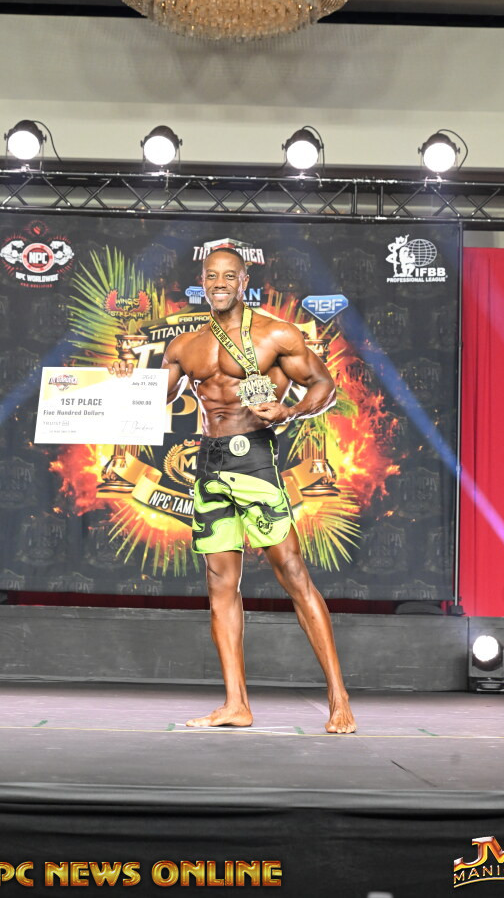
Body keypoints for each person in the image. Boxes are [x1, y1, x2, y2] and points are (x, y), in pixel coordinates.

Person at [112, 247, 356, 734]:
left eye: (229, 275)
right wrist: (108, 390)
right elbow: (154, 397)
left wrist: (290, 412)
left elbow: (324, 386)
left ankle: (338, 697)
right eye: (212, 275)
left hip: (256, 460)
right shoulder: (185, 345)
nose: (220, 282)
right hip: (211, 464)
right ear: (202, 281)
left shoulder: (276, 335)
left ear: (244, 281)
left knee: (292, 573)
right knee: (221, 586)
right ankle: (235, 704)